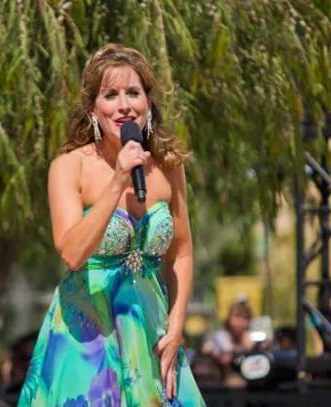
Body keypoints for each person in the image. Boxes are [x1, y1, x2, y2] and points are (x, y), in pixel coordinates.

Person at [18, 44, 205, 406]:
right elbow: (72, 252)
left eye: (133, 93)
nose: (124, 105)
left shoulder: (168, 165)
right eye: (111, 95)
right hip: (87, 334)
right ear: (93, 109)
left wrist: (177, 324)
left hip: (149, 329)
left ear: (148, 103)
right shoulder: (69, 167)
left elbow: (181, 250)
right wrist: (118, 180)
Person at [200, 299, 253, 388]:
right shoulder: (219, 337)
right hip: (222, 386)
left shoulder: (253, 338)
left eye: (244, 318)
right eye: (236, 316)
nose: (240, 322)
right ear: (228, 318)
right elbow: (206, 349)